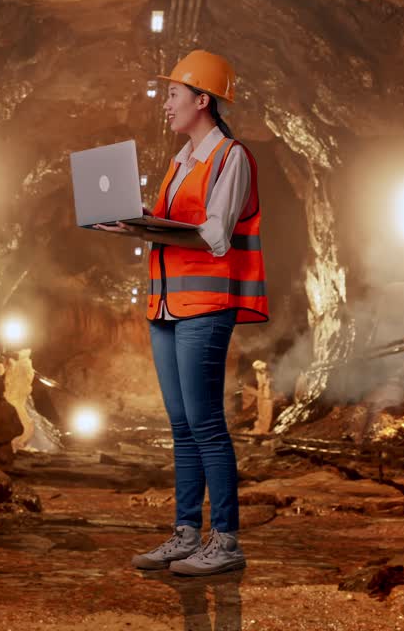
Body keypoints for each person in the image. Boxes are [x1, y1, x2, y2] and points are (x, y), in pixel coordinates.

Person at [96, 49, 269, 576]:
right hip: (166, 307)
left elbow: (216, 236)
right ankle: (186, 533)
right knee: (181, 425)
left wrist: (151, 226)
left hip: (204, 306)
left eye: (172, 95)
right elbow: (176, 229)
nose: (165, 104)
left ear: (202, 100)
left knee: (206, 423)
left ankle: (227, 540)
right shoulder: (180, 162)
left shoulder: (230, 157)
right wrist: (136, 225)